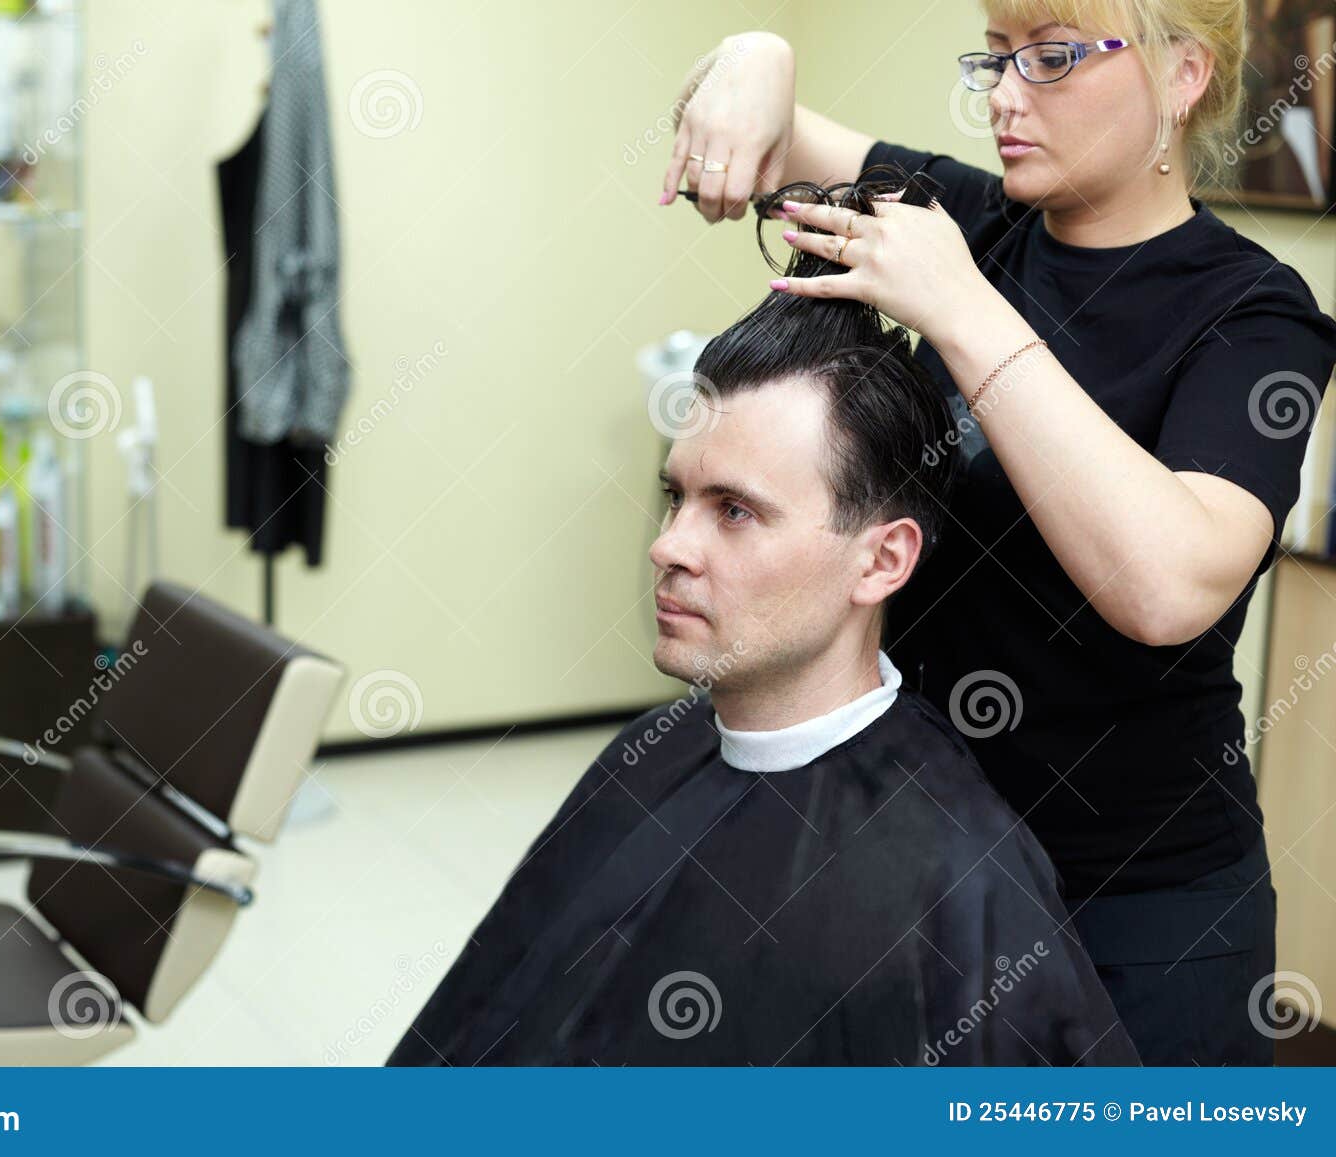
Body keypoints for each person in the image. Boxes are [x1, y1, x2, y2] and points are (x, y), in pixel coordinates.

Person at [657, 1, 1336, 1064]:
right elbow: (771, 125)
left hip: (1141, 905)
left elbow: (1167, 585)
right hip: (923, 856)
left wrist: (961, 310)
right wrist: (758, 53)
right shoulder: (974, 219)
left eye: (1052, 58)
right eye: (998, 58)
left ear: (1183, 75)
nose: (1005, 95)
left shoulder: (1253, 314)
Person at [388, 188, 1139, 1066]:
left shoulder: (963, 886)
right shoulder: (647, 756)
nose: (669, 545)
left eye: (735, 511)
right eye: (678, 496)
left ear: (882, 560)